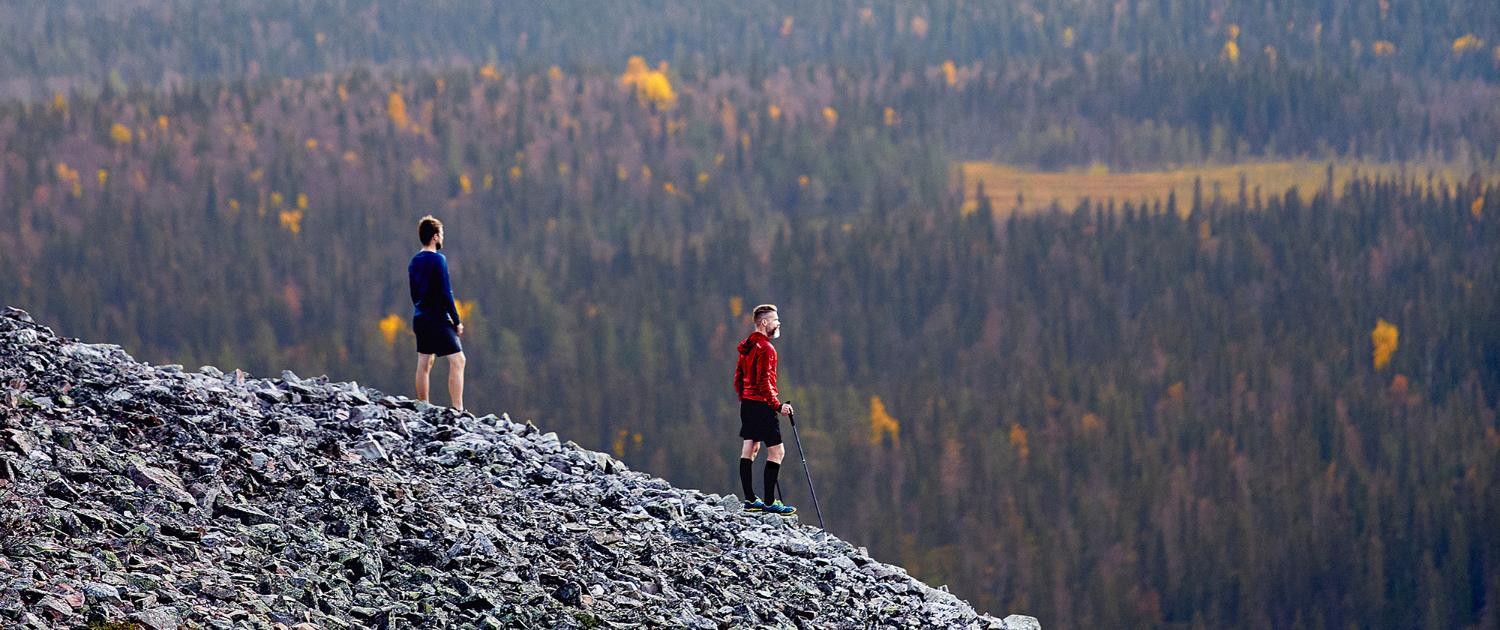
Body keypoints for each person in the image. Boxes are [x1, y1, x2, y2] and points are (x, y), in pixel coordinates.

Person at [734, 304, 796, 515]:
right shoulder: (767, 349)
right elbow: (764, 383)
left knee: (749, 448)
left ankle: (750, 499)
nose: (778, 324)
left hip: (748, 405)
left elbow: (738, 378)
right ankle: (770, 502)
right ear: (764, 323)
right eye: (775, 320)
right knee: (777, 451)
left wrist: (745, 399)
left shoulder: (747, 346)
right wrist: (779, 406)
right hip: (762, 405)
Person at [409, 215, 466, 411]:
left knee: (424, 362)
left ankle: (423, 406)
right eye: (441, 234)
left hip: (420, 316)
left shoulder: (414, 262)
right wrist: (456, 320)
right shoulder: (438, 260)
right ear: (434, 237)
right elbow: (446, 292)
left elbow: (414, 293)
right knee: (458, 360)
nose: (442, 238)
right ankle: (458, 409)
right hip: (437, 318)